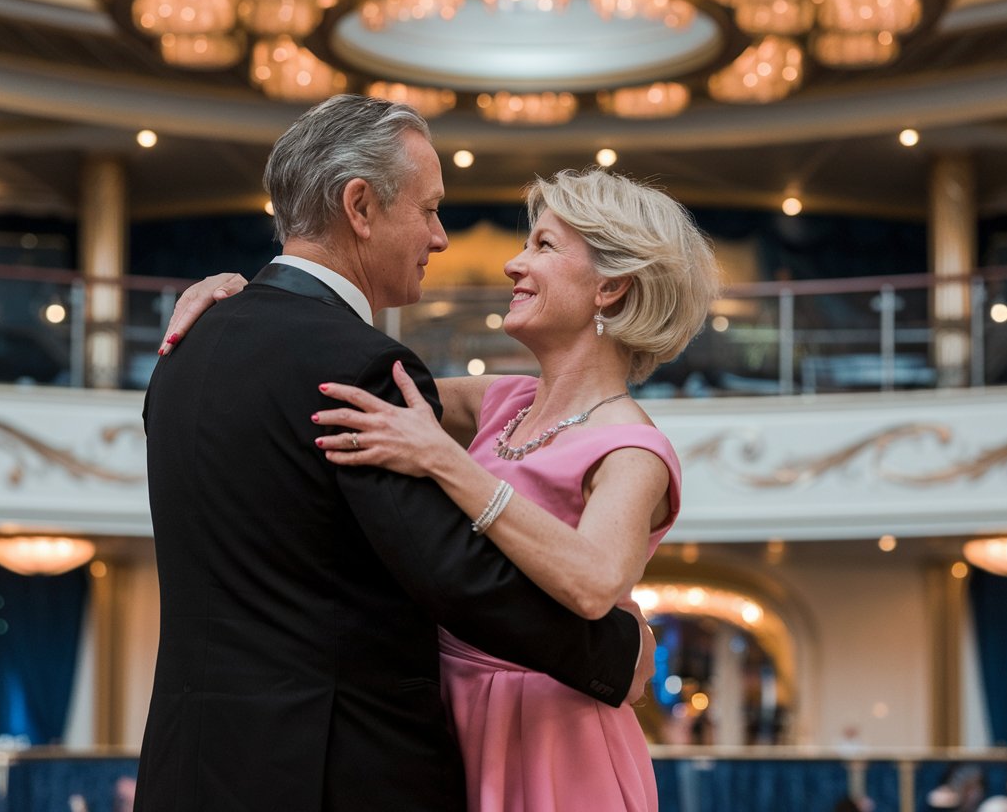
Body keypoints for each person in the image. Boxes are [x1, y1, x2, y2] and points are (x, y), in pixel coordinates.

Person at [135, 95, 652, 812]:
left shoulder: (186, 350)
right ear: (360, 207)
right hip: (331, 771)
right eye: (430, 209)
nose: (441, 238)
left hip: (187, 770)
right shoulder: (356, 364)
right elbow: (457, 577)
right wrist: (617, 655)